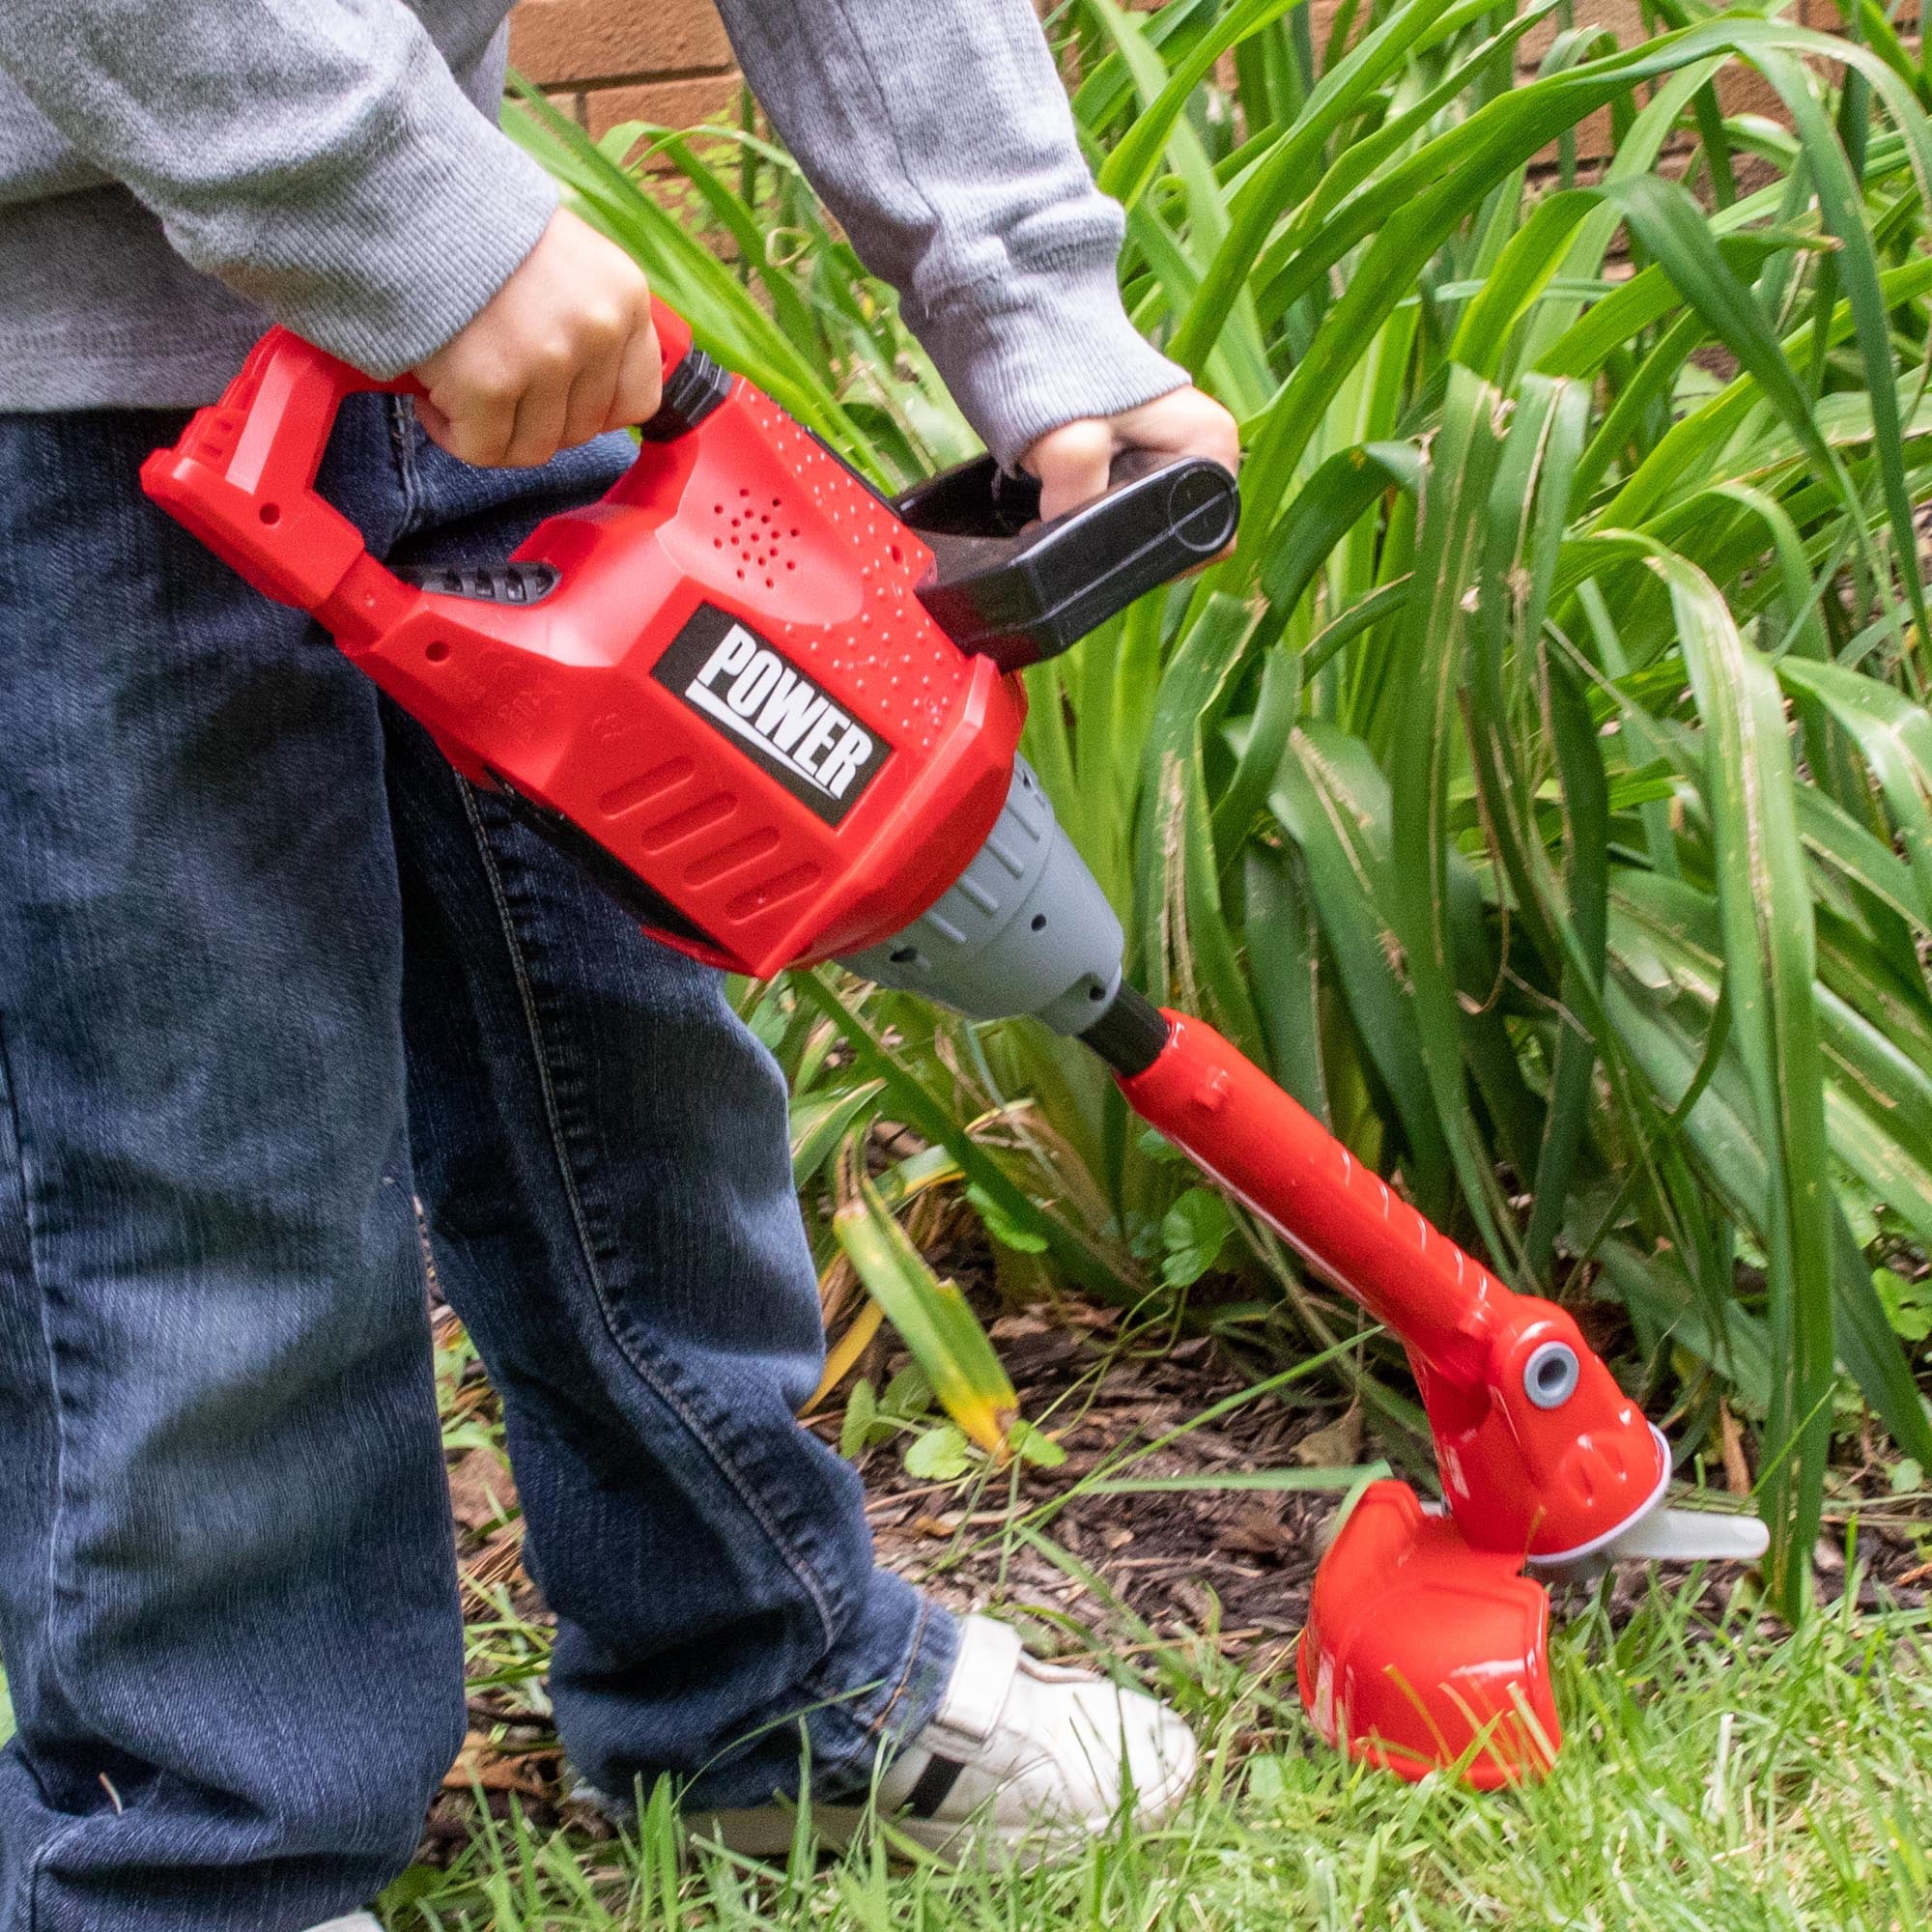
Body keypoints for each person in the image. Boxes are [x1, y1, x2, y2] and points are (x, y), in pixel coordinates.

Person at [0, 3, 1240, 1926]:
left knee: (619, 1046)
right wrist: (407, 215)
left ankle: (763, 1680)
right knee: (198, 1152)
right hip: (66, 372)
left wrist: (1027, 287)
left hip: (482, 338)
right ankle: (201, 1859)